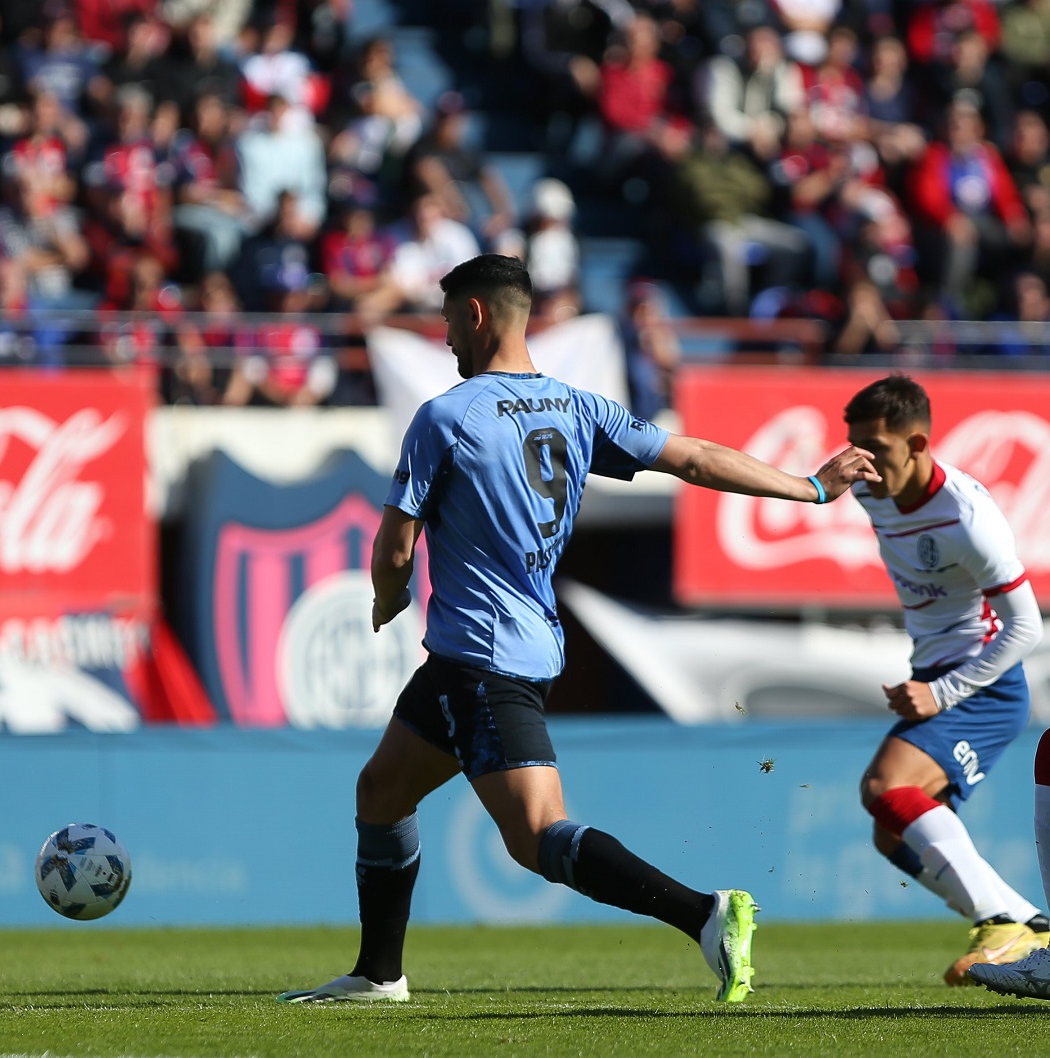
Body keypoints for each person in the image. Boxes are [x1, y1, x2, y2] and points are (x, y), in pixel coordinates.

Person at [277, 254, 878, 1005]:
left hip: (482, 659)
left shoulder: (447, 416)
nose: (445, 344)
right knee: (382, 789)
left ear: (474, 315)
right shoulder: (577, 408)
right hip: (504, 648)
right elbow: (690, 457)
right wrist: (808, 486)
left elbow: (396, 545)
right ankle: (378, 974)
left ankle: (703, 915)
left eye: (446, 324)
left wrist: (385, 597)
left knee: (535, 837)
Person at [837, 377, 1046, 986]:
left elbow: (1026, 628)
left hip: (984, 683)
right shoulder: (867, 488)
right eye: (854, 447)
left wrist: (943, 692)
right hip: (932, 672)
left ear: (919, 442)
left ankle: (1001, 918)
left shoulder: (967, 516)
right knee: (889, 831)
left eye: (875, 448)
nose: (863, 464)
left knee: (883, 785)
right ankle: (1030, 923)